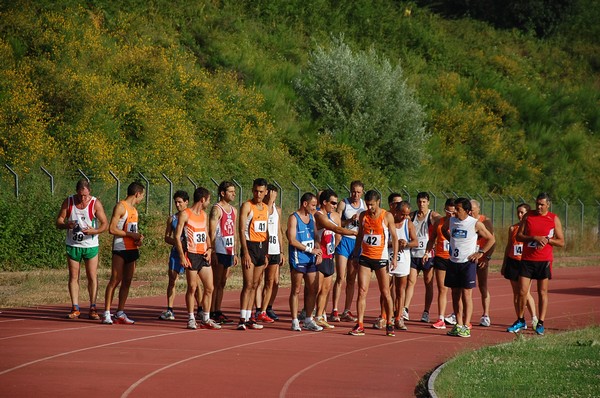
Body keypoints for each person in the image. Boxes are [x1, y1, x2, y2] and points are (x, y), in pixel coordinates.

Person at [509, 193, 564, 335]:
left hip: (544, 260)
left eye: (542, 204)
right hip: (527, 260)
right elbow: (519, 236)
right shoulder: (528, 216)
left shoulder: (553, 218)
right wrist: (534, 238)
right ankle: (520, 320)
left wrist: (547, 240)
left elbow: (561, 242)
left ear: (548, 205)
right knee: (521, 291)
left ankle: (540, 322)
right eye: (537, 204)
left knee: (542, 292)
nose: (539, 207)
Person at [441, 198, 495, 338]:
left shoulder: (475, 223)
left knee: (466, 295)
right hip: (453, 261)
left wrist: (480, 253)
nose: (455, 211)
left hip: (467, 263)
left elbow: (491, 239)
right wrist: (452, 241)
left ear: (467, 211)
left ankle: (466, 326)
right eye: (454, 209)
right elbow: (443, 229)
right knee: (454, 294)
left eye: (458, 209)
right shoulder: (452, 221)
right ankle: (458, 325)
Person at [348, 190, 398, 337]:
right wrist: (356, 255)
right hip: (365, 257)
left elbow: (394, 238)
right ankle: (360, 324)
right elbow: (360, 236)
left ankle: (389, 322)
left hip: (381, 259)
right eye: (368, 204)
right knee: (362, 291)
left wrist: (394, 258)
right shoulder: (363, 215)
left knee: (385, 292)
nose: (370, 208)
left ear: (378, 203)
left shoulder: (386, 216)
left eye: (372, 205)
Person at [56, 178, 108, 320]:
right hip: (73, 245)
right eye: (80, 195)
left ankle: (93, 307)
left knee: (92, 276)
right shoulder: (69, 202)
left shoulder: (95, 203)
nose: (82, 198)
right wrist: (67, 224)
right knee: (74, 276)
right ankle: (75, 307)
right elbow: (59, 221)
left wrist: (94, 231)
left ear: (89, 192)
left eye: (85, 195)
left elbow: (105, 224)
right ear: (76, 192)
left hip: (90, 246)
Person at [175, 187, 221, 330]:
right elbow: (177, 236)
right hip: (191, 254)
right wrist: (182, 256)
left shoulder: (204, 214)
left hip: (203, 255)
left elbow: (205, 233)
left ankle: (206, 318)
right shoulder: (185, 214)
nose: (209, 202)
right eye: (208, 200)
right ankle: (191, 318)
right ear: (203, 199)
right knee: (192, 288)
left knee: (209, 288)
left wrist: (209, 249)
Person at [102, 181, 145, 325]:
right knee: (115, 280)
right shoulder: (121, 207)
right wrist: (130, 235)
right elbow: (112, 229)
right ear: (137, 194)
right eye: (142, 196)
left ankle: (120, 312)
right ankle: (107, 312)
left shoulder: (134, 210)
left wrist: (138, 238)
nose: (142, 199)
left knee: (127, 281)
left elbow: (133, 231)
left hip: (132, 249)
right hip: (120, 248)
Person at [314, 189, 357, 329]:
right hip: (319, 256)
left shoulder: (332, 215)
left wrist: (334, 247)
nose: (334, 205)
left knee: (326, 289)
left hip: (329, 255)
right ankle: (310, 315)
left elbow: (336, 235)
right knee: (317, 288)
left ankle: (320, 316)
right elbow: (336, 229)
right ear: (324, 202)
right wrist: (354, 232)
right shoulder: (319, 215)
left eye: (336, 203)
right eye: (332, 203)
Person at [159, 190, 202, 321]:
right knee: (172, 279)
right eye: (176, 202)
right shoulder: (172, 218)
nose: (177, 205)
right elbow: (167, 237)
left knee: (195, 283)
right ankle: (169, 309)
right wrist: (177, 242)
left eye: (180, 202)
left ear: (186, 202)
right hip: (176, 253)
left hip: (191, 252)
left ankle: (200, 309)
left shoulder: (192, 216)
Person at [288, 192, 324, 332]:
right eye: (313, 205)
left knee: (313, 288)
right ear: (305, 204)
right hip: (299, 258)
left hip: (310, 258)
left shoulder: (311, 218)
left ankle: (308, 319)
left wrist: (318, 249)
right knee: (296, 289)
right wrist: (310, 250)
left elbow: (316, 236)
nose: (315, 208)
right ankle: (295, 320)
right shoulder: (294, 218)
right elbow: (292, 240)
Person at [331, 180, 366, 322]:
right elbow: (336, 223)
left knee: (352, 278)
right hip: (345, 240)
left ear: (362, 192)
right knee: (340, 276)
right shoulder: (343, 203)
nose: (355, 195)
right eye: (353, 191)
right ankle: (334, 310)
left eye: (358, 192)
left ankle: (347, 310)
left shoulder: (365, 205)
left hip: (357, 242)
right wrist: (349, 221)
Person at [238, 178, 270, 330]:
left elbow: (266, 231)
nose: (258, 194)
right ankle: (242, 318)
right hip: (249, 246)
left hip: (261, 248)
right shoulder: (247, 206)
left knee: (256, 284)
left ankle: (250, 317)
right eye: (256, 191)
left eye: (261, 192)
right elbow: (242, 230)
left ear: (266, 192)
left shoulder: (266, 208)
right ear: (252, 190)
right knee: (248, 284)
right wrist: (245, 252)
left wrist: (267, 253)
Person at [404, 192, 440, 323]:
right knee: (410, 281)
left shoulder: (433, 216)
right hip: (414, 253)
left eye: (424, 202)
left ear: (428, 202)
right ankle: (405, 309)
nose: (421, 204)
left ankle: (426, 311)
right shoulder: (412, 215)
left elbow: (442, 223)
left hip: (427, 254)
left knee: (428, 283)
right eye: (419, 202)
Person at [501, 203, 538, 331]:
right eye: (518, 212)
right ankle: (520, 319)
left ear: (527, 213)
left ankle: (534, 318)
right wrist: (504, 263)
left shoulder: (531, 228)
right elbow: (508, 246)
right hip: (513, 261)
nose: (519, 215)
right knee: (516, 294)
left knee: (525, 292)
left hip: (526, 263)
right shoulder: (513, 228)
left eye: (522, 212)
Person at [423, 198, 456, 329]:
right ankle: (441, 318)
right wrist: (427, 252)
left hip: (455, 260)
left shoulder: (459, 223)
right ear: (445, 210)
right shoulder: (439, 222)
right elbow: (431, 240)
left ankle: (456, 316)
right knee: (442, 289)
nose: (451, 215)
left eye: (453, 212)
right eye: (448, 211)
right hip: (441, 258)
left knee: (456, 290)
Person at [384, 199, 416, 331]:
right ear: (396, 211)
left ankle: (399, 317)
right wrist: (393, 243)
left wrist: (406, 244)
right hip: (387, 257)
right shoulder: (387, 220)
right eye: (402, 214)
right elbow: (381, 240)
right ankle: (385, 316)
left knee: (400, 290)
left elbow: (415, 242)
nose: (404, 217)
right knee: (385, 289)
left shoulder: (408, 223)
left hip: (403, 259)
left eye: (407, 214)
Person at [209, 181, 238, 325]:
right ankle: (211, 310)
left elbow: (234, 232)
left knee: (223, 282)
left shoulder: (234, 210)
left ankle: (218, 309)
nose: (234, 194)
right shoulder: (217, 209)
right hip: (219, 249)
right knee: (216, 281)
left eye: (234, 191)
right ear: (222, 193)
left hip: (229, 249)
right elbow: (212, 231)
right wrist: (212, 250)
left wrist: (236, 252)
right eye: (231, 191)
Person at [256, 184, 285, 322]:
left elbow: (279, 231)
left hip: (275, 249)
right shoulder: (263, 209)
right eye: (270, 194)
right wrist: (269, 202)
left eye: (273, 195)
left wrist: (282, 250)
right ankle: (257, 309)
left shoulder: (277, 210)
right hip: (263, 249)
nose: (272, 197)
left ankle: (266, 308)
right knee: (258, 280)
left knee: (272, 281)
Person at [470, 199, 495, 327]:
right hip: (468, 258)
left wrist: (486, 257)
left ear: (478, 209)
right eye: (469, 210)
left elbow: (492, 241)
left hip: (481, 259)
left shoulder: (485, 221)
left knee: (483, 287)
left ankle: (485, 315)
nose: (470, 213)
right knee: (465, 288)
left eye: (472, 210)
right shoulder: (467, 221)